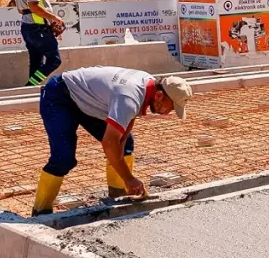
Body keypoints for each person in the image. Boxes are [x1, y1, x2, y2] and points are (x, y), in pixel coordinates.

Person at [32, 67, 193, 216]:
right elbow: (109, 143)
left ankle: (118, 195)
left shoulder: (148, 84)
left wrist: (122, 141)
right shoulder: (129, 96)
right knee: (63, 158)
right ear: (159, 96)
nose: (167, 113)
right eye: (169, 107)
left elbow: (130, 114)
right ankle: (40, 212)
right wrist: (129, 178)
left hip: (86, 99)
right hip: (60, 96)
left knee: (126, 142)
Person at [11, 0, 66, 87]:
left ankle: (29, 93)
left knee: (36, 62)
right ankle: (30, 86)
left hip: (27, 28)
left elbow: (20, 9)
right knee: (54, 61)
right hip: (38, 28)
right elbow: (34, 7)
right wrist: (54, 18)